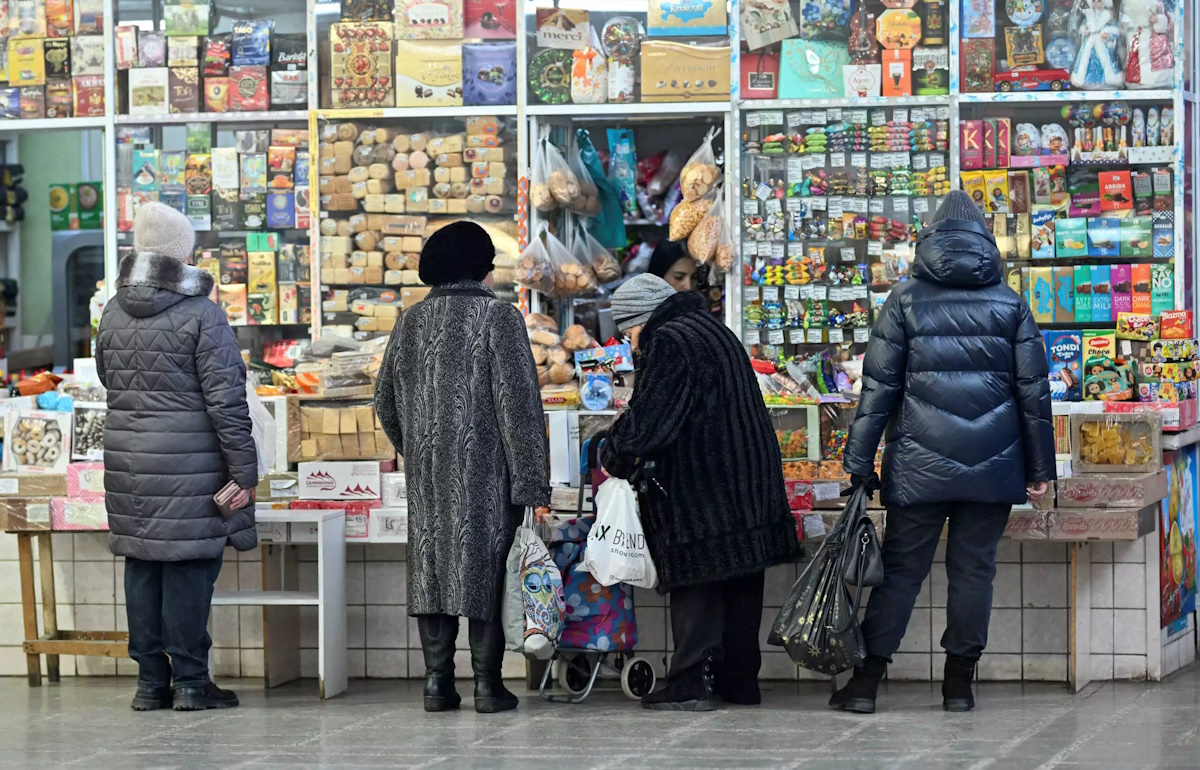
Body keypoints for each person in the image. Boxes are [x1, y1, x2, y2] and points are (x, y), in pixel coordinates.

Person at [833, 190, 1055, 714]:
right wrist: (1041, 469)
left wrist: (859, 463)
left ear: (930, 239)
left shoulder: (904, 300)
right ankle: (959, 686)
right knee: (974, 572)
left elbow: (877, 391)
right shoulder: (1010, 302)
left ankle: (865, 685)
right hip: (994, 468)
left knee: (902, 572)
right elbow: (1034, 394)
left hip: (918, 466)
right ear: (984, 243)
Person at [601, 274, 801, 711]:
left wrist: (612, 453)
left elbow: (651, 422)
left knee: (698, 573)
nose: (630, 343)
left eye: (628, 331)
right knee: (742, 574)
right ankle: (740, 681)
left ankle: (692, 680)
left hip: (706, 482)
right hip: (748, 478)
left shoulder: (669, 340)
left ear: (642, 319)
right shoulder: (713, 328)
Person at [375, 221, 549, 714]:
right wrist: (532, 483)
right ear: (482, 267)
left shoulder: (410, 321)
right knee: (487, 570)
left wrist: (419, 448)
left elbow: (384, 401)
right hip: (487, 474)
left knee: (432, 569)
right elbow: (519, 407)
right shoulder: (499, 318)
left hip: (429, 475)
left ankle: (437, 683)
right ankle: (489, 687)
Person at [96, 202, 258, 712]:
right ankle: (190, 682)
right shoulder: (202, 314)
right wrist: (244, 469)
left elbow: (107, 378)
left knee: (142, 568)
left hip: (128, 462)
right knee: (189, 567)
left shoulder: (112, 308)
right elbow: (227, 401)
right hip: (191, 466)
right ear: (181, 253)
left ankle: (149, 683)